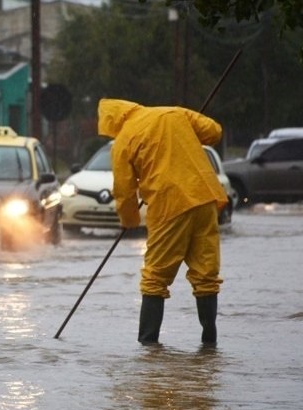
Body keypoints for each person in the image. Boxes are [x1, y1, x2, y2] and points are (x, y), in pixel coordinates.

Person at [97, 99, 228, 345]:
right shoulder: (174, 113)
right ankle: (210, 343)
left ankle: (148, 346)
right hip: (205, 198)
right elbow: (214, 132)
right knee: (206, 272)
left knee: (155, 277)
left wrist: (129, 221)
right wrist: (188, 130)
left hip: (170, 205)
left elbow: (124, 191)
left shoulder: (123, 140)